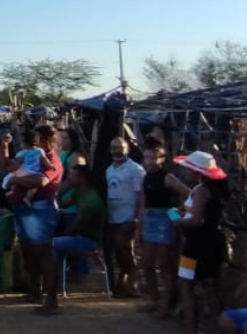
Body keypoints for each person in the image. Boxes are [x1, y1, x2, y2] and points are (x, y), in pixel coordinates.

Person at [168, 151, 230, 334]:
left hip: (196, 246)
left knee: (186, 285)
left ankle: (191, 333)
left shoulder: (202, 191)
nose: (184, 171)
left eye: (188, 168)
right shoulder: (212, 190)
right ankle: (215, 331)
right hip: (211, 244)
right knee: (211, 286)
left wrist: (176, 222)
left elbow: (196, 220)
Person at [8, 130, 65, 315]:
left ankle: (51, 300)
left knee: (44, 251)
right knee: (29, 250)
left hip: (39, 208)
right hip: (25, 208)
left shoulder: (50, 158)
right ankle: (36, 292)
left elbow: (40, 181)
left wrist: (16, 179)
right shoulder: (33, 155)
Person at [136, 136, 183, 317]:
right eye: (146, 157)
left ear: (162, 159)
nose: (149, 161)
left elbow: (188, 195)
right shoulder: (145, 177)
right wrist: (139, 225)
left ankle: (166, 303)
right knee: (147, 262)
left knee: (164, 263)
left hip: (164, 218)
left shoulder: (168, 178)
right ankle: (154, 299)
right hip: (149, 217)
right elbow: (143, 203)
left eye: (153, 157)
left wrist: (175, 213)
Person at [50, 163, 106, 309]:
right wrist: (58, 192)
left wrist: (56, 236)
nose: (68, 179)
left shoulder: (90, 200)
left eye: (72, 176)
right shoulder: (78, 192)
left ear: (82, 178)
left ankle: (52, 285)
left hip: (87, 240)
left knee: (51, 245)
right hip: (78, 236)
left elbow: (74, 229)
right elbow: (62, 205)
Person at [106, 138, 145, 298]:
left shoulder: (135, 169)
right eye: (113, 148)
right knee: (119, 251)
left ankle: (133, 281)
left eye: (120, 148)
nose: (117, 151)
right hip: (112, 216)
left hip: (129, 216)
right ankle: (123, 282)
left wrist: (138, 216)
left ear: (127, 149)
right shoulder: (109, 169)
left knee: (125, 248)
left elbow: (140, 195)